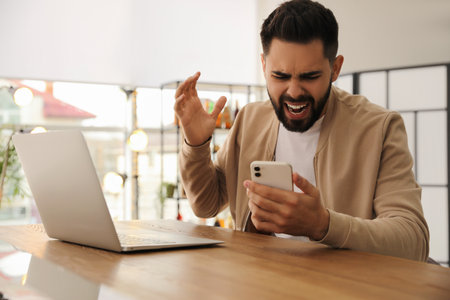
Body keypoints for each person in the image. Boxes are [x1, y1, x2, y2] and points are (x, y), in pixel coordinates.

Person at [174, 0, 429, 261]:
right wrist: (195, 143)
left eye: (309, 76)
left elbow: (413, 240)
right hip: (261, 279)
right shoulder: (251, 119)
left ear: (335, 68)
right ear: (264, 66)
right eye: (280, 76)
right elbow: (206, 204)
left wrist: (323, 224)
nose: (294, 92)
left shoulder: (379, 127)